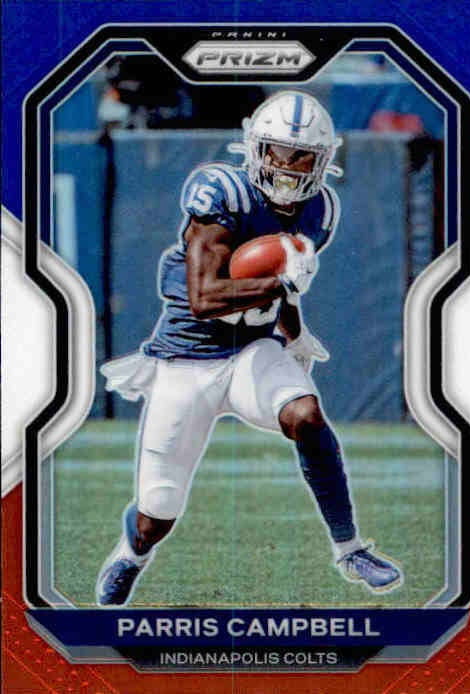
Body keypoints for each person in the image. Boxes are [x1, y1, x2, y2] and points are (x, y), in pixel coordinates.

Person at [96, 91, 402, 606]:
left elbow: (282, 286)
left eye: (302, 157)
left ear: (323, 160)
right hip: (187, 357)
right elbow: (204, 298)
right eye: (278, 152)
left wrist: (294, 332)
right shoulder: (222, 193)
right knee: (157, 513)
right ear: (254, 148)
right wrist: (282, 286)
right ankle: (131, 552)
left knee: (306, 415)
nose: (287, 166)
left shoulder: (321, 208)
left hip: (251, 352)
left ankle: (350, 549)